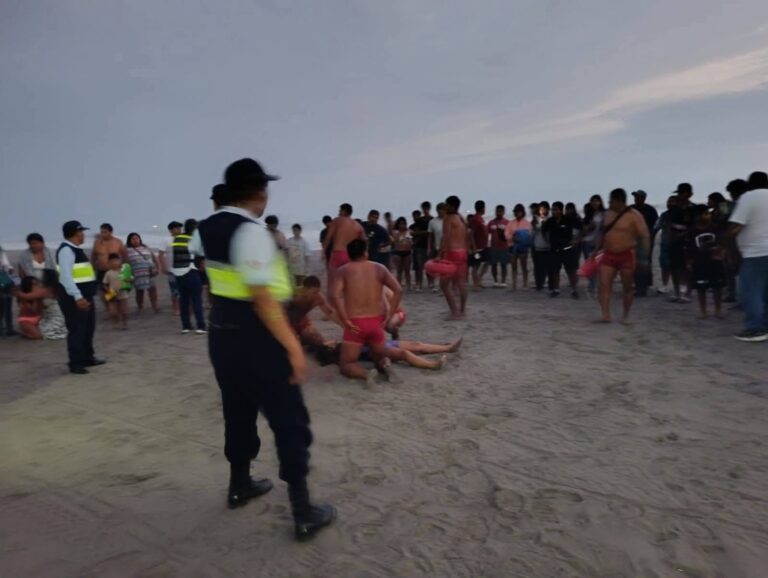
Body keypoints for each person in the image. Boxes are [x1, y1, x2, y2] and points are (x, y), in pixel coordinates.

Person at [197, 157, 334, 540]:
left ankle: (239, 484)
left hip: (221, 331)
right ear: (260, 191)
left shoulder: (206, 227)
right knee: (288, 419)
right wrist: (292, 346)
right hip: (255, 333)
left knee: (237, 409)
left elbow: (208, 264)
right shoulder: (251, 232)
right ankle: (304, 511)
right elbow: (261, 296)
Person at [330, 239, 403, 385]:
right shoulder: (379, 268)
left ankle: (366, 374)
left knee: (346, 364)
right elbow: (398, 290)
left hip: (355, 324)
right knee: (379, 357)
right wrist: (389, 314)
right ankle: (386, 366)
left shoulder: (343, 270)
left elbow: (335, 296)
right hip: (376, 322)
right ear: (365, 252)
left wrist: (345, 320)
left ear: (349, 255)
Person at [595, 189, 651, 324]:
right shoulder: (607, 215)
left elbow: (644, 236)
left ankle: (625, 315)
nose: (608, 203)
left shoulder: (634, 215)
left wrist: (644, 257)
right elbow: (603, 234)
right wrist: (596, 251)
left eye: (611, 201)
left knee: (627, 286)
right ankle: (605, 314)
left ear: (618, 201)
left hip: (627, 254)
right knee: (604, 284)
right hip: (608, 253)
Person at [57, 220, 105, 374]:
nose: (83, 234)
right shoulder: (66, 251)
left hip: (85, 296)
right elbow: (66, 277)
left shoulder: (76, 249)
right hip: (74, 298)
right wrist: (78, 297)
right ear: (76, 233)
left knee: (88, 328)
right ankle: (75, 363)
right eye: (81, 232)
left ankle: (87, 357)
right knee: (77, 330)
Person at [729, 171, 768, 342]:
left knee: (751, 292)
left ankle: (755, 328)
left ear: (749, 184)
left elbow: (736, 226)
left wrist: (726, 243)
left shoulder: (748, 197)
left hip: (755, 252)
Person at [686, 205, 725, 319]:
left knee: (717, 287)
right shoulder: (692, 231)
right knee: (701, 288)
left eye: (708, 213)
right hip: (699, 263)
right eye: (705, 213)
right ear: (698, 216)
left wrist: (720, 252)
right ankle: (703, 311)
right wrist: (689, 261)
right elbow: (688, 248)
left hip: (715, 261)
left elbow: (721, 242)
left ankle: (718, 310)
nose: (708, 215)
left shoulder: (715, 228)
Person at [170, 219, 206, 334]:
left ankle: (186, 326)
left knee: (184, 300)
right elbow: (201, 255)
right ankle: (200, 326)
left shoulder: (177, 238)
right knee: (196, 299)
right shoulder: (193, 239)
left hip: (178, 273)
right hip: (190, 270)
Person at [285, 276, 342, 348]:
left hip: (302, 323)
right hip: (286, 324)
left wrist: (345, 327)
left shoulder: (317, 298)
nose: (317, 294)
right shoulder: (293, 295)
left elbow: (330, 312)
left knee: (315, 336)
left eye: (318, 292)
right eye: (314, 292)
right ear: (305, 289)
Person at [322, 203, 365, 297]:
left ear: (344, 211)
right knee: (349, 281)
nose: (338, 213)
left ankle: (332, 306)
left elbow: (328, 237)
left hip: (338, 253)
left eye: (340, 210)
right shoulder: (357, 225)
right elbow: (364, 240)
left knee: (332, 281)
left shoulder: (337, 221)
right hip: (350, 255)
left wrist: (323, 251)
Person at [440, 195, 470, 320]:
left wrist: (441, 254)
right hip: (462, 251)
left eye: (447, 204)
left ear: (451, 206)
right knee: (461, 283)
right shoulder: (461, 218)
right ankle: (462, 310)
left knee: (444, 284)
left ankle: (454, 312)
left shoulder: (448, 218)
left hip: (452, 252)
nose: (445, 206)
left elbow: (446, 237)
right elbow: (467, 235)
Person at [543, 201, 581, 298]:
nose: (553, 211)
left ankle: (574, 290)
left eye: (555, 209)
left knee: (571, 270)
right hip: (555, 250)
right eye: (552, 209)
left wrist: (576, 240)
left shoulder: (569, 219)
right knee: (555, 270)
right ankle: (556, 290)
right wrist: (548, 242)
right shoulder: (550, 221)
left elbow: (582, 228)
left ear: (561, 210)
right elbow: (544, 232)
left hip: (568, 249)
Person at [16, 269, 67, 340]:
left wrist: (16, 292)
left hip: (54, 317)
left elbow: (27, 296)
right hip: (49, 317)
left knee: (42, 335)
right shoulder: (51, 289)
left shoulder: (45, 291)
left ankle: (27, 334)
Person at [631, 190, 659, 297]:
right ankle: (638, 285)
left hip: (645, 239)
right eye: (635, 197)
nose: (636, 199)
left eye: (638, 197)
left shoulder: (650, 210)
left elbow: (655, 225)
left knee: (644, 263)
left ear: (643, 198)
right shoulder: (631, 209)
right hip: (633, 239)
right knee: (634, 263)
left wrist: (651, 236)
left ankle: (643, 287)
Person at [125, 233, 161, 313]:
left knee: (152, 289)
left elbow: (154, 258)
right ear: (129, 240)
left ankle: (155, 306)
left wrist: (158, 268)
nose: (135, 240)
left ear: (140, 239)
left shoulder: (146, 247)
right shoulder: (127, 250)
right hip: (137, 273)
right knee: (139, 291)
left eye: (137, 238)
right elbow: (125, 263)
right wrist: (128, 275)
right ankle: (140, 307)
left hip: (150, 272)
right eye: (133, 239)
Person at [91, 223, 126, 304]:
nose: (102, 234)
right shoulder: (97, 242)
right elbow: (94, 255)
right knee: (104, 291)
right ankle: (110, 308)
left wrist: (125, 267)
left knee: (117, 290)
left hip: (115, 271)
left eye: (105, 232)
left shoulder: (117, 242)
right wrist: (92, 266)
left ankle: (117, 309)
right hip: (102, 270)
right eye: (101, 232)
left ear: (111, 232)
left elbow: (124, 254)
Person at [653, 195, 679, 296]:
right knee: (664, 264)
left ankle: (680, 284)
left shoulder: (680, 214)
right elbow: (656, 226)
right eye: (669, 201)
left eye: (672, 201)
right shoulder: (664, 215)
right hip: (666, 241)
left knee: (678, 266)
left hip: (677, 242)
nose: (670, 203)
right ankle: (665, 284)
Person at [505, 204, 533, 291]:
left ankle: (525, 283)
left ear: (522, 212)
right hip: (512, 246)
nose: (517, 213)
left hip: (523, 247)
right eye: (515, 212)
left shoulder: (527, 223)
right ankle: (514, 284)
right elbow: (506, 233)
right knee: (513, 266)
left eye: (518, 212)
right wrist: (512, 238)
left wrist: (520, 239)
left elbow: (529, 235)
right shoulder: (511, 223)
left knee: (523, 265)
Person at [159, 221, 183, 316]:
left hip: (184, 267)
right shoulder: (167, 240)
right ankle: (176, 308)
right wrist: (163, 266)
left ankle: (186, 307)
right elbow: (161, 254)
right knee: (174, 290)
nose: (179, 230)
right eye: (177, 228)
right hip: (171, 269)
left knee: (185, 289)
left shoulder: (184, 239)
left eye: (180, 228)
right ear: (171, 230)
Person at [103, 253, 131, 330]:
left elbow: (129, 280)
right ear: (108, 263)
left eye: (116, 261)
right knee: (113, 311)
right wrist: (108, 290)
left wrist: (128, 281)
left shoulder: (123, 271)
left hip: (122, 292)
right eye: (112, 261)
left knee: (124, 310)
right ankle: (115, 322)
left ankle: (124, 323)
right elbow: (105, 284)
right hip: (111, 293)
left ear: (120, 261)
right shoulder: (108, 273)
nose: (114, 263)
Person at [409, 202, 433, 291]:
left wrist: (423, 233)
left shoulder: (432, 220)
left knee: (429, 266)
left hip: (428, 245)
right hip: (419, 246)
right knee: (419, 266)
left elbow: (432, 233)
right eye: (424, 208)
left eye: (426, 208)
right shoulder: (419, 221)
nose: (425, 210)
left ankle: (431, 283)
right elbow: (412, 232)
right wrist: (425, 233)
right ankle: (419, 284)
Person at [531, 201, 553, 292]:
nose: (542, 211)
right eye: (540, 209)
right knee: (538, 267)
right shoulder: (536, 219)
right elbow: (532, 232)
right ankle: (539, 285)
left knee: (550, 267)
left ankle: (551, 285)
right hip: (538, 246)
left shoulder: (551, 218)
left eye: (544, 209)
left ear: (548, 209)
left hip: (549, 246)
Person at [487, 205, 510, 288]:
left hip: (504, 247)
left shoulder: (507, 222)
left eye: (500, 211)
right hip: (493, 247)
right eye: (497, 211)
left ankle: (503, 281)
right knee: (494, 264)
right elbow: (487, 233)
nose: (498, 213)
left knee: (504, 264)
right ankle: (495, 280)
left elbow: (510, 234)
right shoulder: (491, 222)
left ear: (503, 212)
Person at [468, 200, 489, 289]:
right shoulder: (475, 219)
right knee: (475, 265)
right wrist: (474, 247)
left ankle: (479, 280)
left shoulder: (481, 218)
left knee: (487, 262)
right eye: (484, 207)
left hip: (483, 247)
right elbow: (471, 233)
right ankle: (475, 284)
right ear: (482, 208)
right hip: (477, 248)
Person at [391, 217, 413, 290]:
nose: (402, 225)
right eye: (400, 224)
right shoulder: (395, 232)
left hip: (407, 251)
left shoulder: (409, 231)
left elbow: (411, 241)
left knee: (407, 270)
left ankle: (408, 285)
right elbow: (395, 241)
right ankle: (398, 285)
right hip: (398, 251)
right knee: (399, 270)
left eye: (403, 224)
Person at [0, 245, 16, 336]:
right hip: (4, 283)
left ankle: (9, 329)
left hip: (5, 283)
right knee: (3, 307)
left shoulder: (2, 253)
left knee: (7, 306)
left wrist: (10, 269)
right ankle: (5, 329)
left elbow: (8, 267)